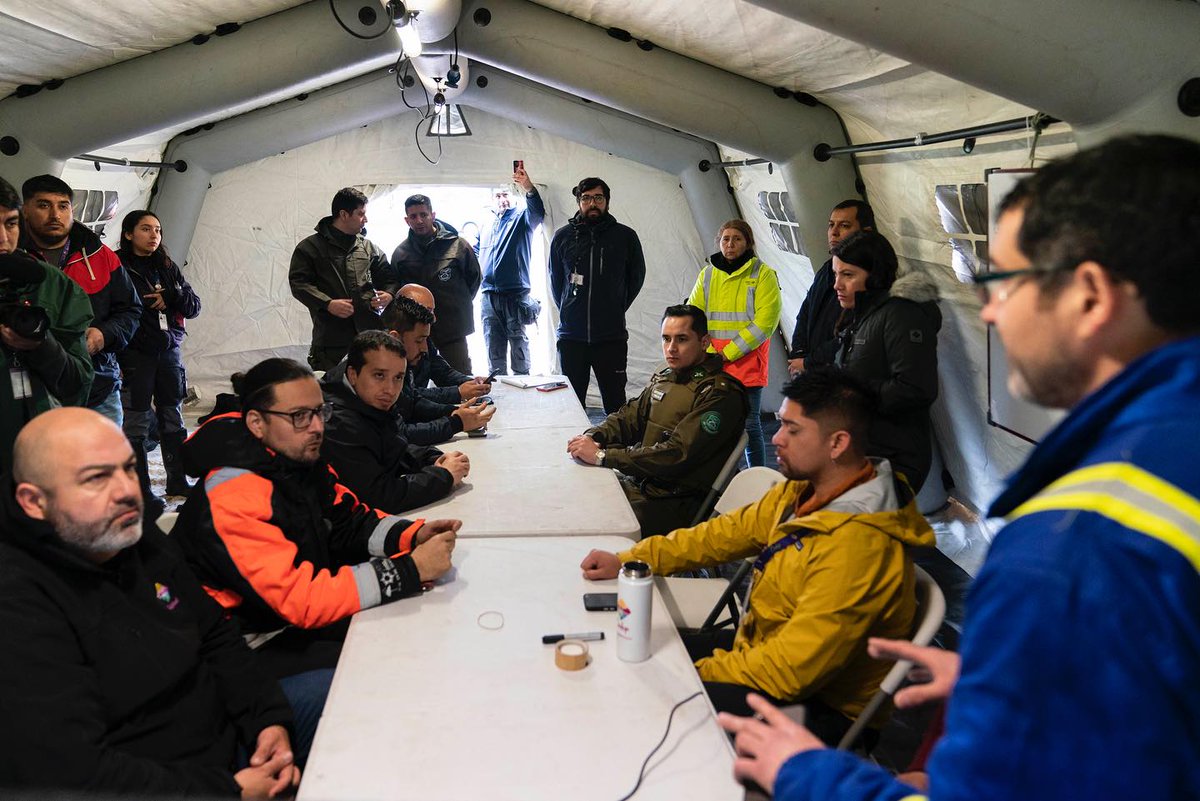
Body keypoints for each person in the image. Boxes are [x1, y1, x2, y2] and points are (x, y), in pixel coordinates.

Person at [718, 134, 1200, 801]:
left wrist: (809, 772)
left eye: (998, 280)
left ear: (1090, 296)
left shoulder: (1072, 549)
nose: (992, 310)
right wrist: (1017, 675)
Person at [581, 366, 934, 744]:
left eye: (792, 430)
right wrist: (631, 557)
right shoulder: (803, 492)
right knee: (632, 651)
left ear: (838, 443)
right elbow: (718, 536)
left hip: (817, 706)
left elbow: (790, 671)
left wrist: (693, 672)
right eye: (780, 423)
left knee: (647, 696)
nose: (776, 438)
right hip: (762, 646)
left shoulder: (859, 549)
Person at [0, 408, 300, 797]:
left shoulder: (127, 533)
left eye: (128, 468)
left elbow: (215, 636)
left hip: (233, 743)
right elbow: (72, 774)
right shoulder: (19, 606)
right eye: (97, 478)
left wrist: (267, 720)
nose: (127, 490)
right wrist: (229, 791)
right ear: (33, 502)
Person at [171, 357, 460, 679]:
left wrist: (410, 536)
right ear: (256, 423)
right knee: (383, 667)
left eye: (320, 412)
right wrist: (410, 569)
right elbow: (299, 599)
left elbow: (350, 519)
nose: (317, 427)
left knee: (406, 634)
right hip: (240, 650)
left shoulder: (294, 460)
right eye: (299, 417)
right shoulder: (233, 494)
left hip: (276, 622)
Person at [568, 304, 748, 537]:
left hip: (677, 504)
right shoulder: (666, 377)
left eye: (681, 339)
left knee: (592, 522)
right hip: (644, 487)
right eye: (666, 339)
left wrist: (604, 457)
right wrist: (594, 436)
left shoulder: (720, 394)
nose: (671, 348)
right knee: (573, 497)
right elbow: (628, 418)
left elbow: (676, 454)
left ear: (704, 342)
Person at [19, 174, 141, 425]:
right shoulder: (12, 257)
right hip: (32, 387)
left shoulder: (100, 255)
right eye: (44, 205)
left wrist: (103, 335)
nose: (55, 214)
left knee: (105, 461)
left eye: (63, 206)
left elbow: (131, 309)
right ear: (25, 210)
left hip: (98, 386)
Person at [829, 230, 940, 492]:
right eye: (836, 274)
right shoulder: (865, 314)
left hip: (894, 457)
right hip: (866, 450)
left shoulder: (901, 314)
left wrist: (853, 395)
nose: (837, 284)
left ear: (875, 275)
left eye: (848, 275)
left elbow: (916, 388)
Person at [0, 176, 94, 469]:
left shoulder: (52, 284)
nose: (3, 239)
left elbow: (77, 382)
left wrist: (41, 346)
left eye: (10, 224)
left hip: (35, 457)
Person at [322, 330, 470, 513]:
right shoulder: (336, 421)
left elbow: (393, 445)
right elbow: (378, 496)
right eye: (379, 375)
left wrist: (432, 458)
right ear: (353, 375)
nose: (390, 389)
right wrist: (443, 476)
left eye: (398, 378)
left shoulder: (366, 399)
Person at [114, 210, 202, 514]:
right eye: (146, 229)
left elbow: (193, 307)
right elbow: (112, 308)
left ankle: (177, 481)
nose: (154, 236)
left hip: (168, 353)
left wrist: (172, 296)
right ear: (128, 234)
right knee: (135, 423)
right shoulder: (117, 265)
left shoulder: (167, 266)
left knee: (173, 417)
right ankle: (138, 488)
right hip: (135, 355)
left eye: (158, 230)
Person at [688, 219, 782, 466]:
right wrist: (707, 354)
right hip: (712, 363)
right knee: (710, 422)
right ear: (719, 242)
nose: (730, 244)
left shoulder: (763, 275)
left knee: (750, 427)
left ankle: (757, 478)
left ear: (748, 242)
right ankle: (719, 480)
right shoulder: (707, 274)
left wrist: (726, 353)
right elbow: (694, 315)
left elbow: (765, 323)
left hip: (747, 363)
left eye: (737, 239)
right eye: (725, 239)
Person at [549, 177, 646, 413]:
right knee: (571, 405)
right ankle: (575, 450)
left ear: (607, 202)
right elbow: (556, 282)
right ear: (579, 202)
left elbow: (636, 277)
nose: (593, 203)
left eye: (598, 198)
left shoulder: (625, 237)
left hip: (610, 337)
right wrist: (570, 308)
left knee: (615, 405)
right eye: (586, 198)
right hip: (572, 337)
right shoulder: (563, 237)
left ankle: (615, 450)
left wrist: (614, 306)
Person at [288, 187, 397, 372]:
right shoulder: (310, 248)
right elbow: (299, 284)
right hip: (332, 340)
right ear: (344, 214)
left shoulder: (368, 247)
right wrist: (328, 303)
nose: (366, 219)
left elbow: (390, 277)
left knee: (372, 388)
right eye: (361, 214)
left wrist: (388, 294)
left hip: (370, 334)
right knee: (333, 392)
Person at [372, 295, 494, 446]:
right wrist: (456, 422)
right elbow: (398, 434)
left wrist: (455, 412)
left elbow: (412, 401)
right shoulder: (374, 371)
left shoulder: (392, 359)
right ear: (395, 338)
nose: (424, 348)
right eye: (419, 341)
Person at [390, 194, 481, 374]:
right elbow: (396, 289)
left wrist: (455, 303)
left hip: (452, 327)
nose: (419, 220)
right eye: (413, 216)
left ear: (433, 214)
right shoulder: (401, 254)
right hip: (415, 330)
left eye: (423, 214)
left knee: (460, 376)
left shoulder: (458, 245)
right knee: (415, 380)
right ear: (406, 220)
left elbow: (474, 279)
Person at [788, 200, 874, 374]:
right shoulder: (826, 270)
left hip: (842, 375)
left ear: (866, 232)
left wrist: (808, 362)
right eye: (831, 225)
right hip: (814, 372)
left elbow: (855, 334)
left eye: (844, 225)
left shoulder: (871, 277)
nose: (834, 233)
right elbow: (805, 312)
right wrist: (799, 353)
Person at [480, 164, 545, 375]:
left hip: (515, 295)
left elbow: (537, 212)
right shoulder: (487, 223)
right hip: (488, 296)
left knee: (518, 345)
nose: (502, 199)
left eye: (505, 194)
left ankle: (522, 386)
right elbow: (474, 253)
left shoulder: (522, 218)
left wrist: (528, 187)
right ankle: (497, 391)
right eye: (498, 195)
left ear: (513, 194)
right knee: (492, 345)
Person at [398, 283, 491, 402]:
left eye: (433, 311)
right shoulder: (384, 349)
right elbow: (406, 396)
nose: (434, 318)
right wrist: (457, 394)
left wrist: (471, 383)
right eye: (427, 310)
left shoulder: (425, 339)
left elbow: (442, 372)